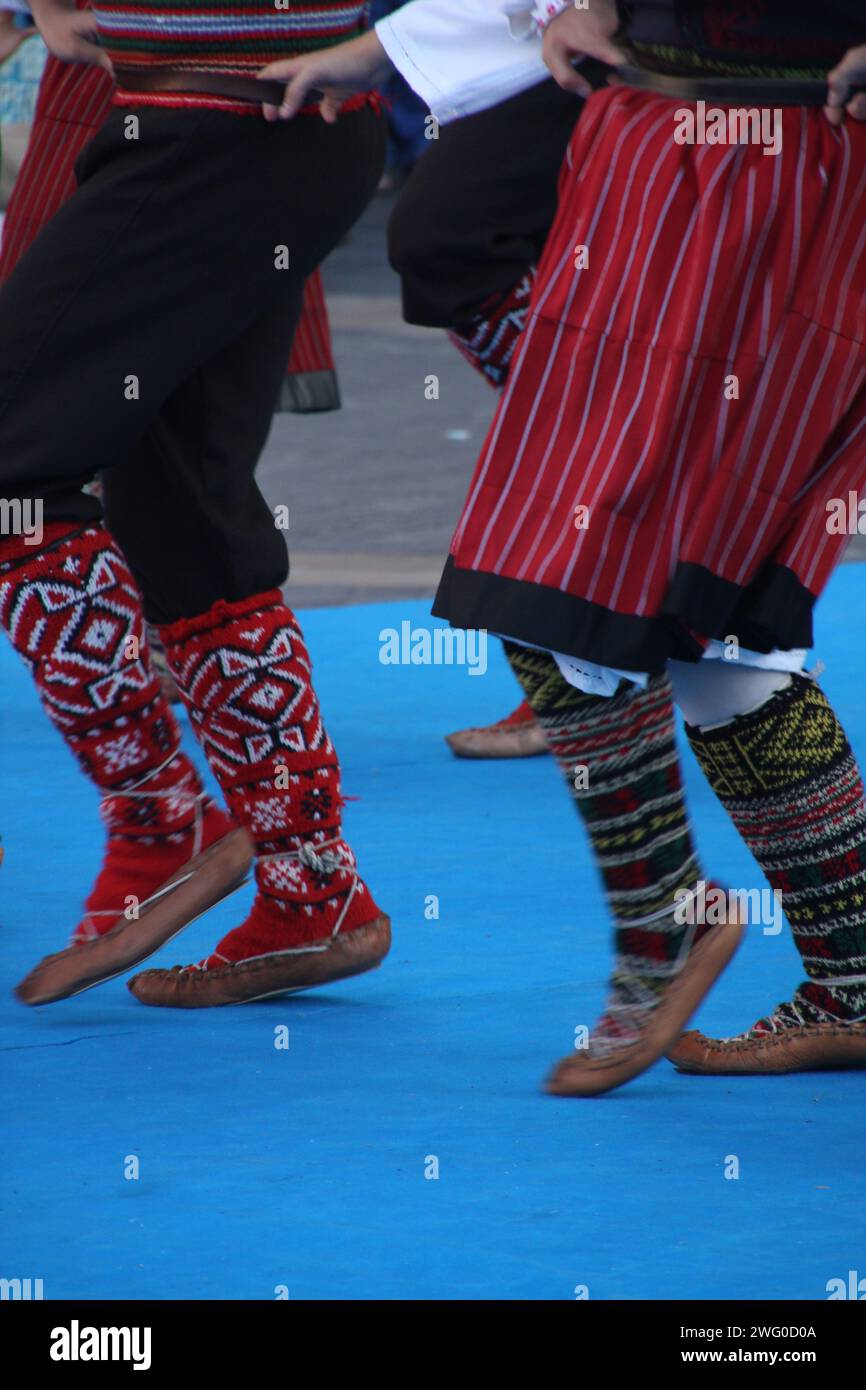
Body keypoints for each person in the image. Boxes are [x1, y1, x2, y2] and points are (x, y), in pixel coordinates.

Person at [249, 0, 866, 1092]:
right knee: (682, 618)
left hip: (781, 174)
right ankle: (840, 976)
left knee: (589, 582)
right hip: (643, 153)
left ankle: (673, 928)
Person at [0, 0, 391, 1009]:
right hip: (251, 119)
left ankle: (160, 818)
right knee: (180, 505)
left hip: (219, 121)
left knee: (13, 471)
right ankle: (312, 886)